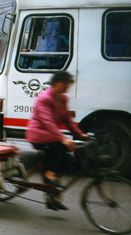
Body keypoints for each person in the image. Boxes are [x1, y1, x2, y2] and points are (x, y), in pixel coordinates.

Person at [25, 71, 89, 211]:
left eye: (68, 83)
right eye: (64, 82)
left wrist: (81, 135)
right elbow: (48, 122)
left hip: (50, 135)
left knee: (64, 158)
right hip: (38, 135)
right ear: (55, 83)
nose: (67, 85)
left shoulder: (63, 98)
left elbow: (67, 120)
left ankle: (52, 197)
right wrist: (63, 139)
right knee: (60, 148)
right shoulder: (44, 98)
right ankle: (50, 174)